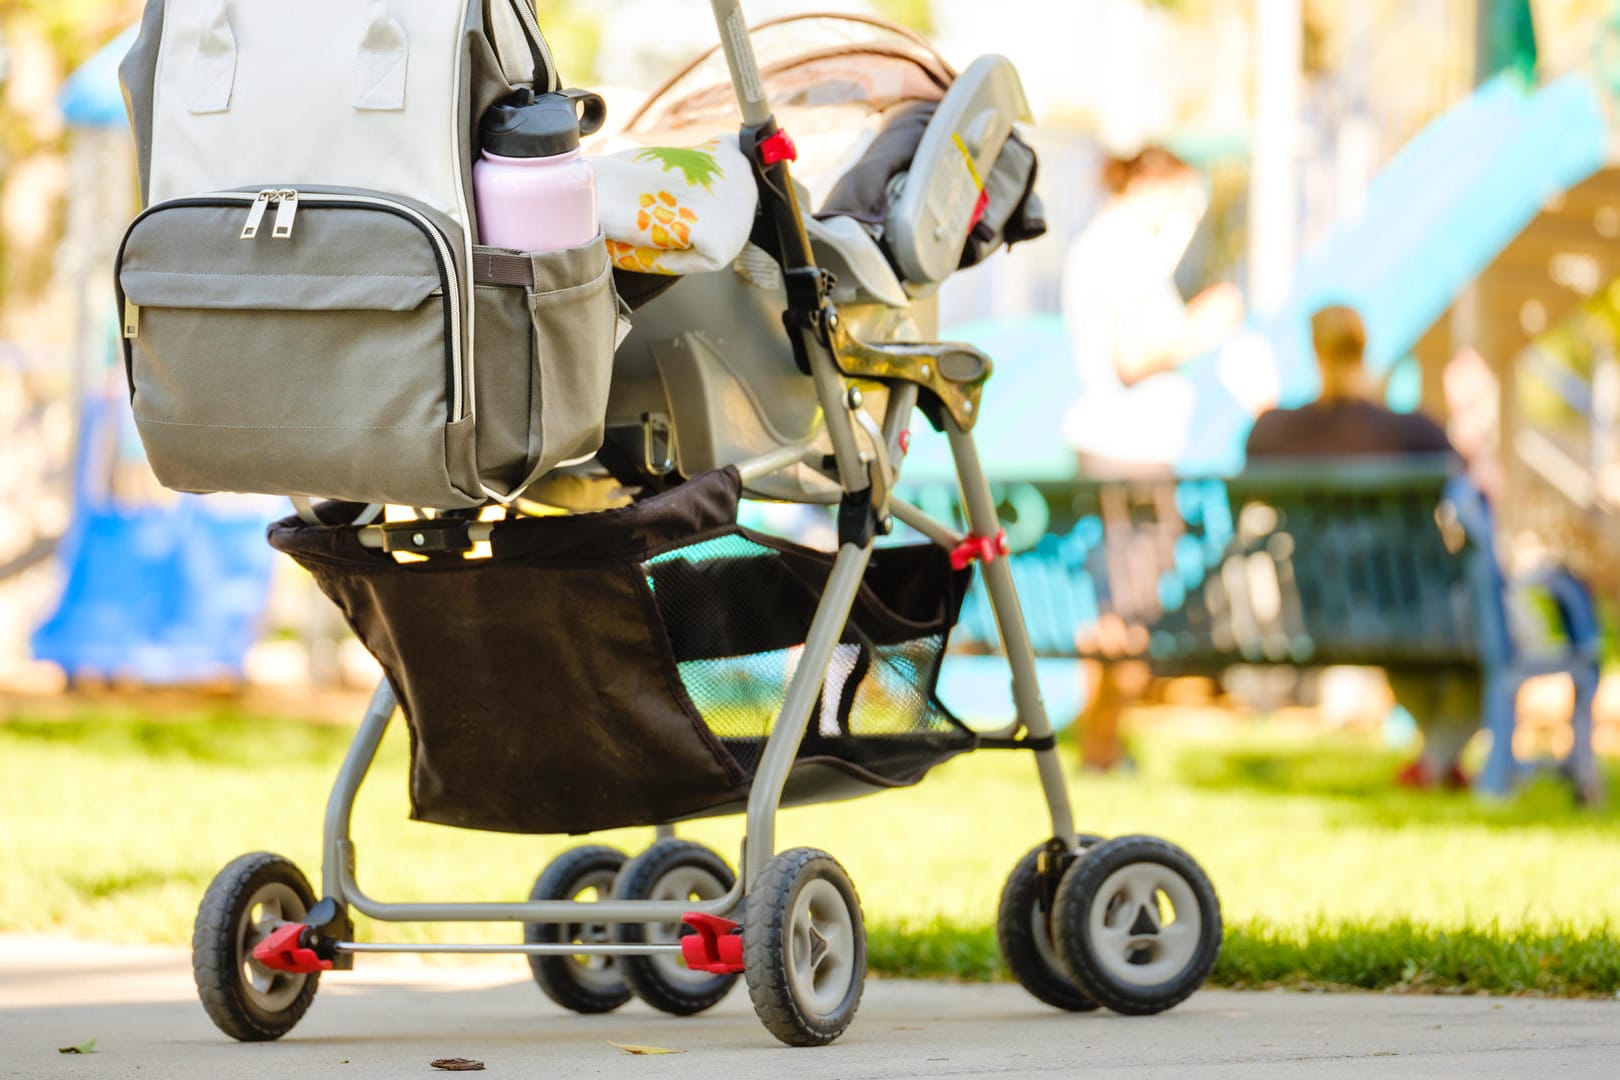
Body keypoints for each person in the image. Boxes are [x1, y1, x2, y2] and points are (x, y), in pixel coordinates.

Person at [1245, 304, 1473, 790]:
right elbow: (1470, 494)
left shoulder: (1275, 432)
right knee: (1497, 632)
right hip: (1409, 609)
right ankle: (1437, 761)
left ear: (1315, 350)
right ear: (1364, 347)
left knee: (1414, 649)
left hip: (1323, 611)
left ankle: (1434, 763)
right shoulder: (1415, 431)